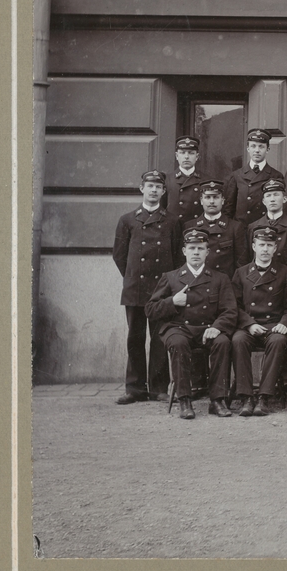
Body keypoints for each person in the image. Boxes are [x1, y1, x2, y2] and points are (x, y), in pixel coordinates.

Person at [145, 228, 238, 420]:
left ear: (207, 252)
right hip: (178, 328)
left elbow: (230, 310)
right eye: (192, 248)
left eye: (200, 248)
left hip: (208, 328)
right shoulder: (171, 277)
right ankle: (184, 400)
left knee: (222, 342)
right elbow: (150, 309)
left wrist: (216, 327)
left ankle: (218, 400)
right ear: (184, 251)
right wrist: (172, 302)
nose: (196, 252)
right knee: (178, 344)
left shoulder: (220, 278)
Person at [111, 169, 182, 404]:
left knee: (160, 338)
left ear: (163, 191)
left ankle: (159, 388)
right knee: (135, 338)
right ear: (141, 189)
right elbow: (119, 255)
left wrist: (167, 285)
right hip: (136, 289)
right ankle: (135, 388)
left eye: (157, 187)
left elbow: (177, 256)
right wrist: (133, 277)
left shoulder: (172, 221)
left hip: (162, 291)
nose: (153, 190)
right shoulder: (128, 220)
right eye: (149, 186)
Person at [229, 225, 287, 417]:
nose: (265, 249)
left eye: (269, 245)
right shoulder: (241, 272)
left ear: (275, 248)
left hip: (274, 325)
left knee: (278, 341)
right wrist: (249, 324)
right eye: (261, 245)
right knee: (238, 340)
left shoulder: (285, 272)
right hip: (249, 325)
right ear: (253, 246)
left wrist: (284, 323)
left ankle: (264, 397)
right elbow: (234, 305)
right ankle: (246, 396)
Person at [183, 179, 248, 279]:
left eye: (216, 197)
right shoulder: (189, 226)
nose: (212, 201)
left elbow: (241, 264)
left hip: (224, 286)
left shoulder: (235, 227)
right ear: (201, 200)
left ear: (222, 200)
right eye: (207, 197)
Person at [223, 128, 284, 226]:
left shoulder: (276, 175)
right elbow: (228, 209)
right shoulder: (236, 176)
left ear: (268, 149)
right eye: (253, 146)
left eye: (261, 147)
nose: (257, 150)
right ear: (248, 149)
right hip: (242, 231)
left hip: (265, 231)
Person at [248, 178, 287, 270]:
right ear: (263, 201)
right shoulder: (253, 227)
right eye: (268, 196)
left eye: (276, 195)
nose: (272, 199)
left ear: (284, 199)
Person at [164, 136, 208, 226]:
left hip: (197, 230)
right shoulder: (167, 180)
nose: (186, 157)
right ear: (177, 156)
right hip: (174, 229)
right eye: (182, 153)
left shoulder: (206, 180)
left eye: (191, 153)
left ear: (197, 156)